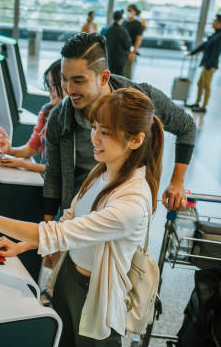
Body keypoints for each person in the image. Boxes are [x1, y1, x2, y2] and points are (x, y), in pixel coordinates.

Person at [0, 88, 164, 347]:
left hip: (97, 297)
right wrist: (23, 244)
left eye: (105, 132)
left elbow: (57, 232)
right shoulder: (103, 170)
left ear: (135, 140)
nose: (94, 138)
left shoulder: (131, 202)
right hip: (69, 279)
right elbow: (72, 218)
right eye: (94, 128)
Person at [43, 32, 196, 227]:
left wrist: (177, 182)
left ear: (104, 77)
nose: (69, 90)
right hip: (75, 220)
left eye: (79, 81)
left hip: (119, 221)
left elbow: (187, 127)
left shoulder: (140, 100)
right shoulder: (60, 117)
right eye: (64, 79)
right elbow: (54, 174)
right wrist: (47, 230)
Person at [0, 59, 66, 173]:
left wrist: (23, 164)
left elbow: (59, 169)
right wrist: (10, 150)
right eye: (48, 85)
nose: (49, 90)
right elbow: (31, 148)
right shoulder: (46, 111)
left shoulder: (76, 120)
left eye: (53, 85)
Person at [186, 14, 221, 113]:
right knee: (200, 83)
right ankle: (197, 103)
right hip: (206, 64)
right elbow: (204, 45)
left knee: (206, 85)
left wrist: (209, 65)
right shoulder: (215, 35)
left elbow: (217, 53)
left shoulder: (220, 37)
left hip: (210, 65)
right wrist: (192, 52)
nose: (213, 23)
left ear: (220, 23)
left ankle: (203, 107)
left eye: (215, 21)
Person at [104, 11, 132, 76]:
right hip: (120, 58)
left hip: (110, 57)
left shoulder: (109, 30)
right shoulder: (122, 30)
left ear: (113, 18)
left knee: (112, 75)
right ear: (121, 18)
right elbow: (128, 44)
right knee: (120, 76)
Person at [122, 4, 145, 80]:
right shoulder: (124, 23)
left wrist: (134, 52)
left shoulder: (138, 24)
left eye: (130, 10)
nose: (128, 12)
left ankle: (128, 90)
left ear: (135, 12)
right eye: (127, 10)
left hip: (131, 51)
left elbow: (139, 39)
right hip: (121, 51)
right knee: (120, 73)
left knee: (128, 73)